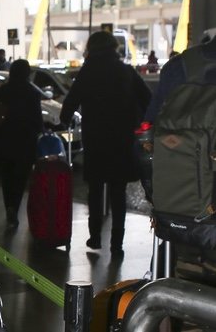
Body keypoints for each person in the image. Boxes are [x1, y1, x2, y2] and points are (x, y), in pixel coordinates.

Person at [60, 31, 151, 256]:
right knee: (118, 192)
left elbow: (70, 102)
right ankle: (117, 244)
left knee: (95, 190)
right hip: (121, 140)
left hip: (96, 140)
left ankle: (95, 237)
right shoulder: (125, 71)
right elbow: (148, 98)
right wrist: (140, 121)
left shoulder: (88, 72)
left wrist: (63, 121)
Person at [0, 59, 43, 228]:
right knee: (20, 179)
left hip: (4, 140)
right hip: (25, 142)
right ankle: (15, 207)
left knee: (7, 176)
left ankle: (9, 208)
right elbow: (37, 120)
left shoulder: (3, 91)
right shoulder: (32, 92)